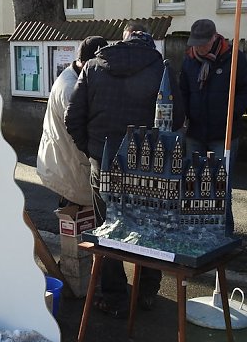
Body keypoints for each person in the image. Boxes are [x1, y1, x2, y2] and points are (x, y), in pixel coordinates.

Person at [65, 21, 181, 318]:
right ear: (148, 42)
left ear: (124, 40)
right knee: (147, 230)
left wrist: (90, 149)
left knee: (109, 232)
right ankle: (145, 292)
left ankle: (114, 297)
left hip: (103, 166)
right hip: (147, 168)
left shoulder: (93, 67)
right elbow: (175, 120)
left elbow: (73, 117)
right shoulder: (161, 70)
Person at [178, 18, 247, 234]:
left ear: (214, 37)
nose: (199, 47)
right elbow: (183, 91)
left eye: (203, 42)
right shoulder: (189, 60)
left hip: (223, 133)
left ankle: (224, 234)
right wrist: (184, 114)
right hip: (195, 133)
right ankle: (194, 232)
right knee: (193, 185)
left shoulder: (234, 58)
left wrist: (231, 113)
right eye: (196, 42)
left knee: (220, 186)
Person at [37, 36, 108, 207]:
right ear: (85, 64)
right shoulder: (70, 89)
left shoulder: (75, 77)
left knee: (77, 217)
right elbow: (81, 129)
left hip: (64, 162)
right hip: (67, 167)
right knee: (73, 219)